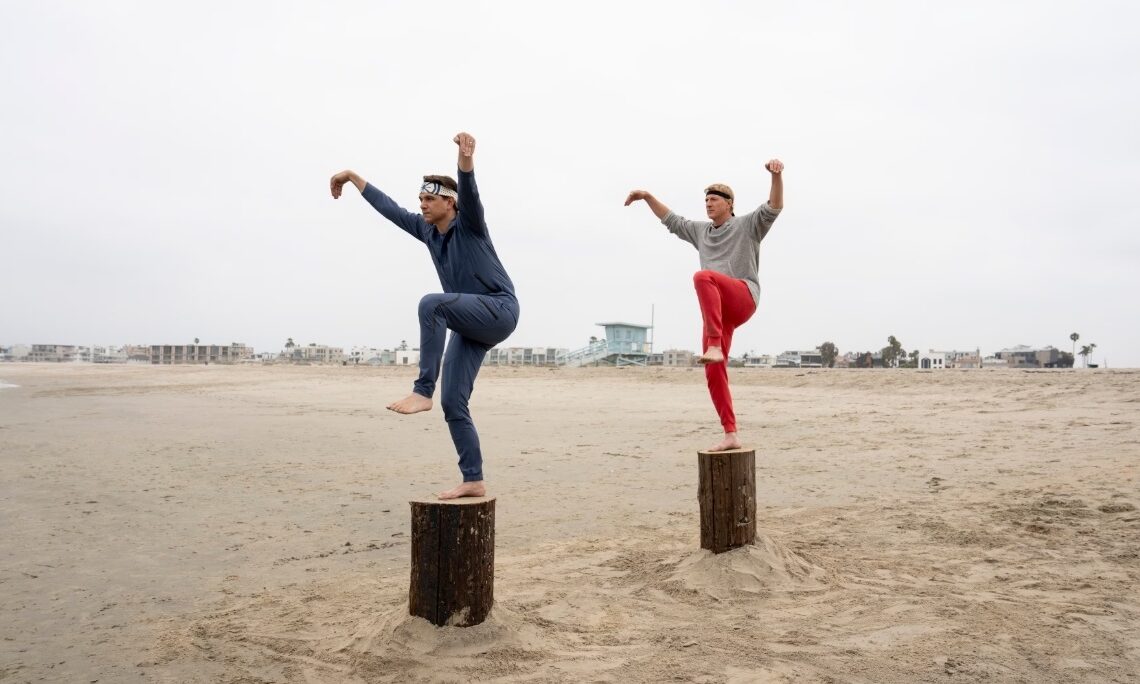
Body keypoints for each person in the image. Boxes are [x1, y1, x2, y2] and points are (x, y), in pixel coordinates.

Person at [329, 132, 519, 499]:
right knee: (454, 402)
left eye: (429, 199)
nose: (422, 205)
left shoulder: (470, 226)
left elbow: (470, 190)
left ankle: (421, 390)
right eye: (420, 199)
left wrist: (465, 161)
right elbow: (390, 209)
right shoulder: (427, 231)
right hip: (471, 323)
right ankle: (473, 478)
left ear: (450, 202)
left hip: (499, 309)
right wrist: (353, 177)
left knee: (431, 303)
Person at [625, 160, 784, 452]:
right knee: (713, 371)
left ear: (729, 204)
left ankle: (713, 346)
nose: (708, 204)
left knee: (702, 276)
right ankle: (730, 433)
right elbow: (672, 220)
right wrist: (647, 197)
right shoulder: (701, 232)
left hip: (743, 296)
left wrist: (777, 175)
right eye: (706, 200)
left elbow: (774, 206)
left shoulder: (747, 225)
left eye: (714, 200)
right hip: (718, 314)